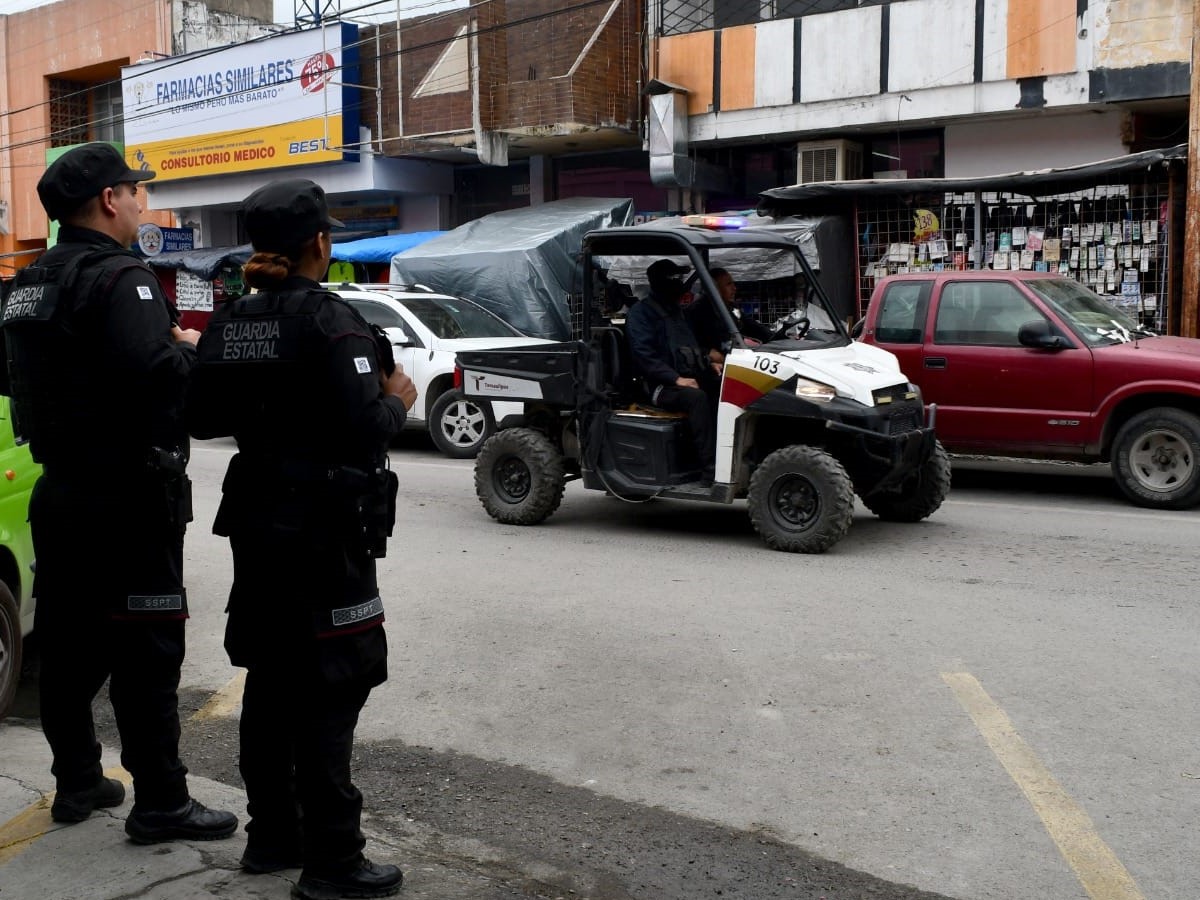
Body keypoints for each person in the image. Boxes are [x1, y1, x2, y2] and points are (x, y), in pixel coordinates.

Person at [186, 178, 417, 900]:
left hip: (256, 525)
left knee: (272, 680)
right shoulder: (332, 322)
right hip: (324, 530)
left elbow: (197, 417)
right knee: (332, 684)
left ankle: (272, 837)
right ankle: (334, 863)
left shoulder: (231, 321)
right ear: (321, 242)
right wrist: (398, 400)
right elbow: (364, 428)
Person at [0, 143, 238, 841]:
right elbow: (157, 378)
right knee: (147, 649)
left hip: (63, 491)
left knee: (71, 646)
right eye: (136, 191)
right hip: (129, 498)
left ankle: (78, 781)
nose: (143, 201)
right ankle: (162, 802)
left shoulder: (27, 284)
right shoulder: (123, 278)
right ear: (110, 200)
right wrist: (187, 351)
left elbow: (11, 378)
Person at [625, 259, 719, 479]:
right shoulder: (641, 314)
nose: (680, 284)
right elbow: (644, 357)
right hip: (658, 386)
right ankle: (710, 468)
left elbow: (688, 349)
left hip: (685, 378)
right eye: (675, 279)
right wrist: (676, 379)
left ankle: (730, 454)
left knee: (723, 387)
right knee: (696, 398)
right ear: (661, 282)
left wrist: (709, 361)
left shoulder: (678, 312)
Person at [686, 267, 772, 367]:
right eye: (728, 284)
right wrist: (706, 352)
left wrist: (774, 337)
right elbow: (690, 341)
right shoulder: (698, 310)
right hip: (713, 364)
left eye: (733, 283)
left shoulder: (729, 306)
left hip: (737, 355)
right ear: (714, 288)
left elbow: (752, 325)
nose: (734, 288)